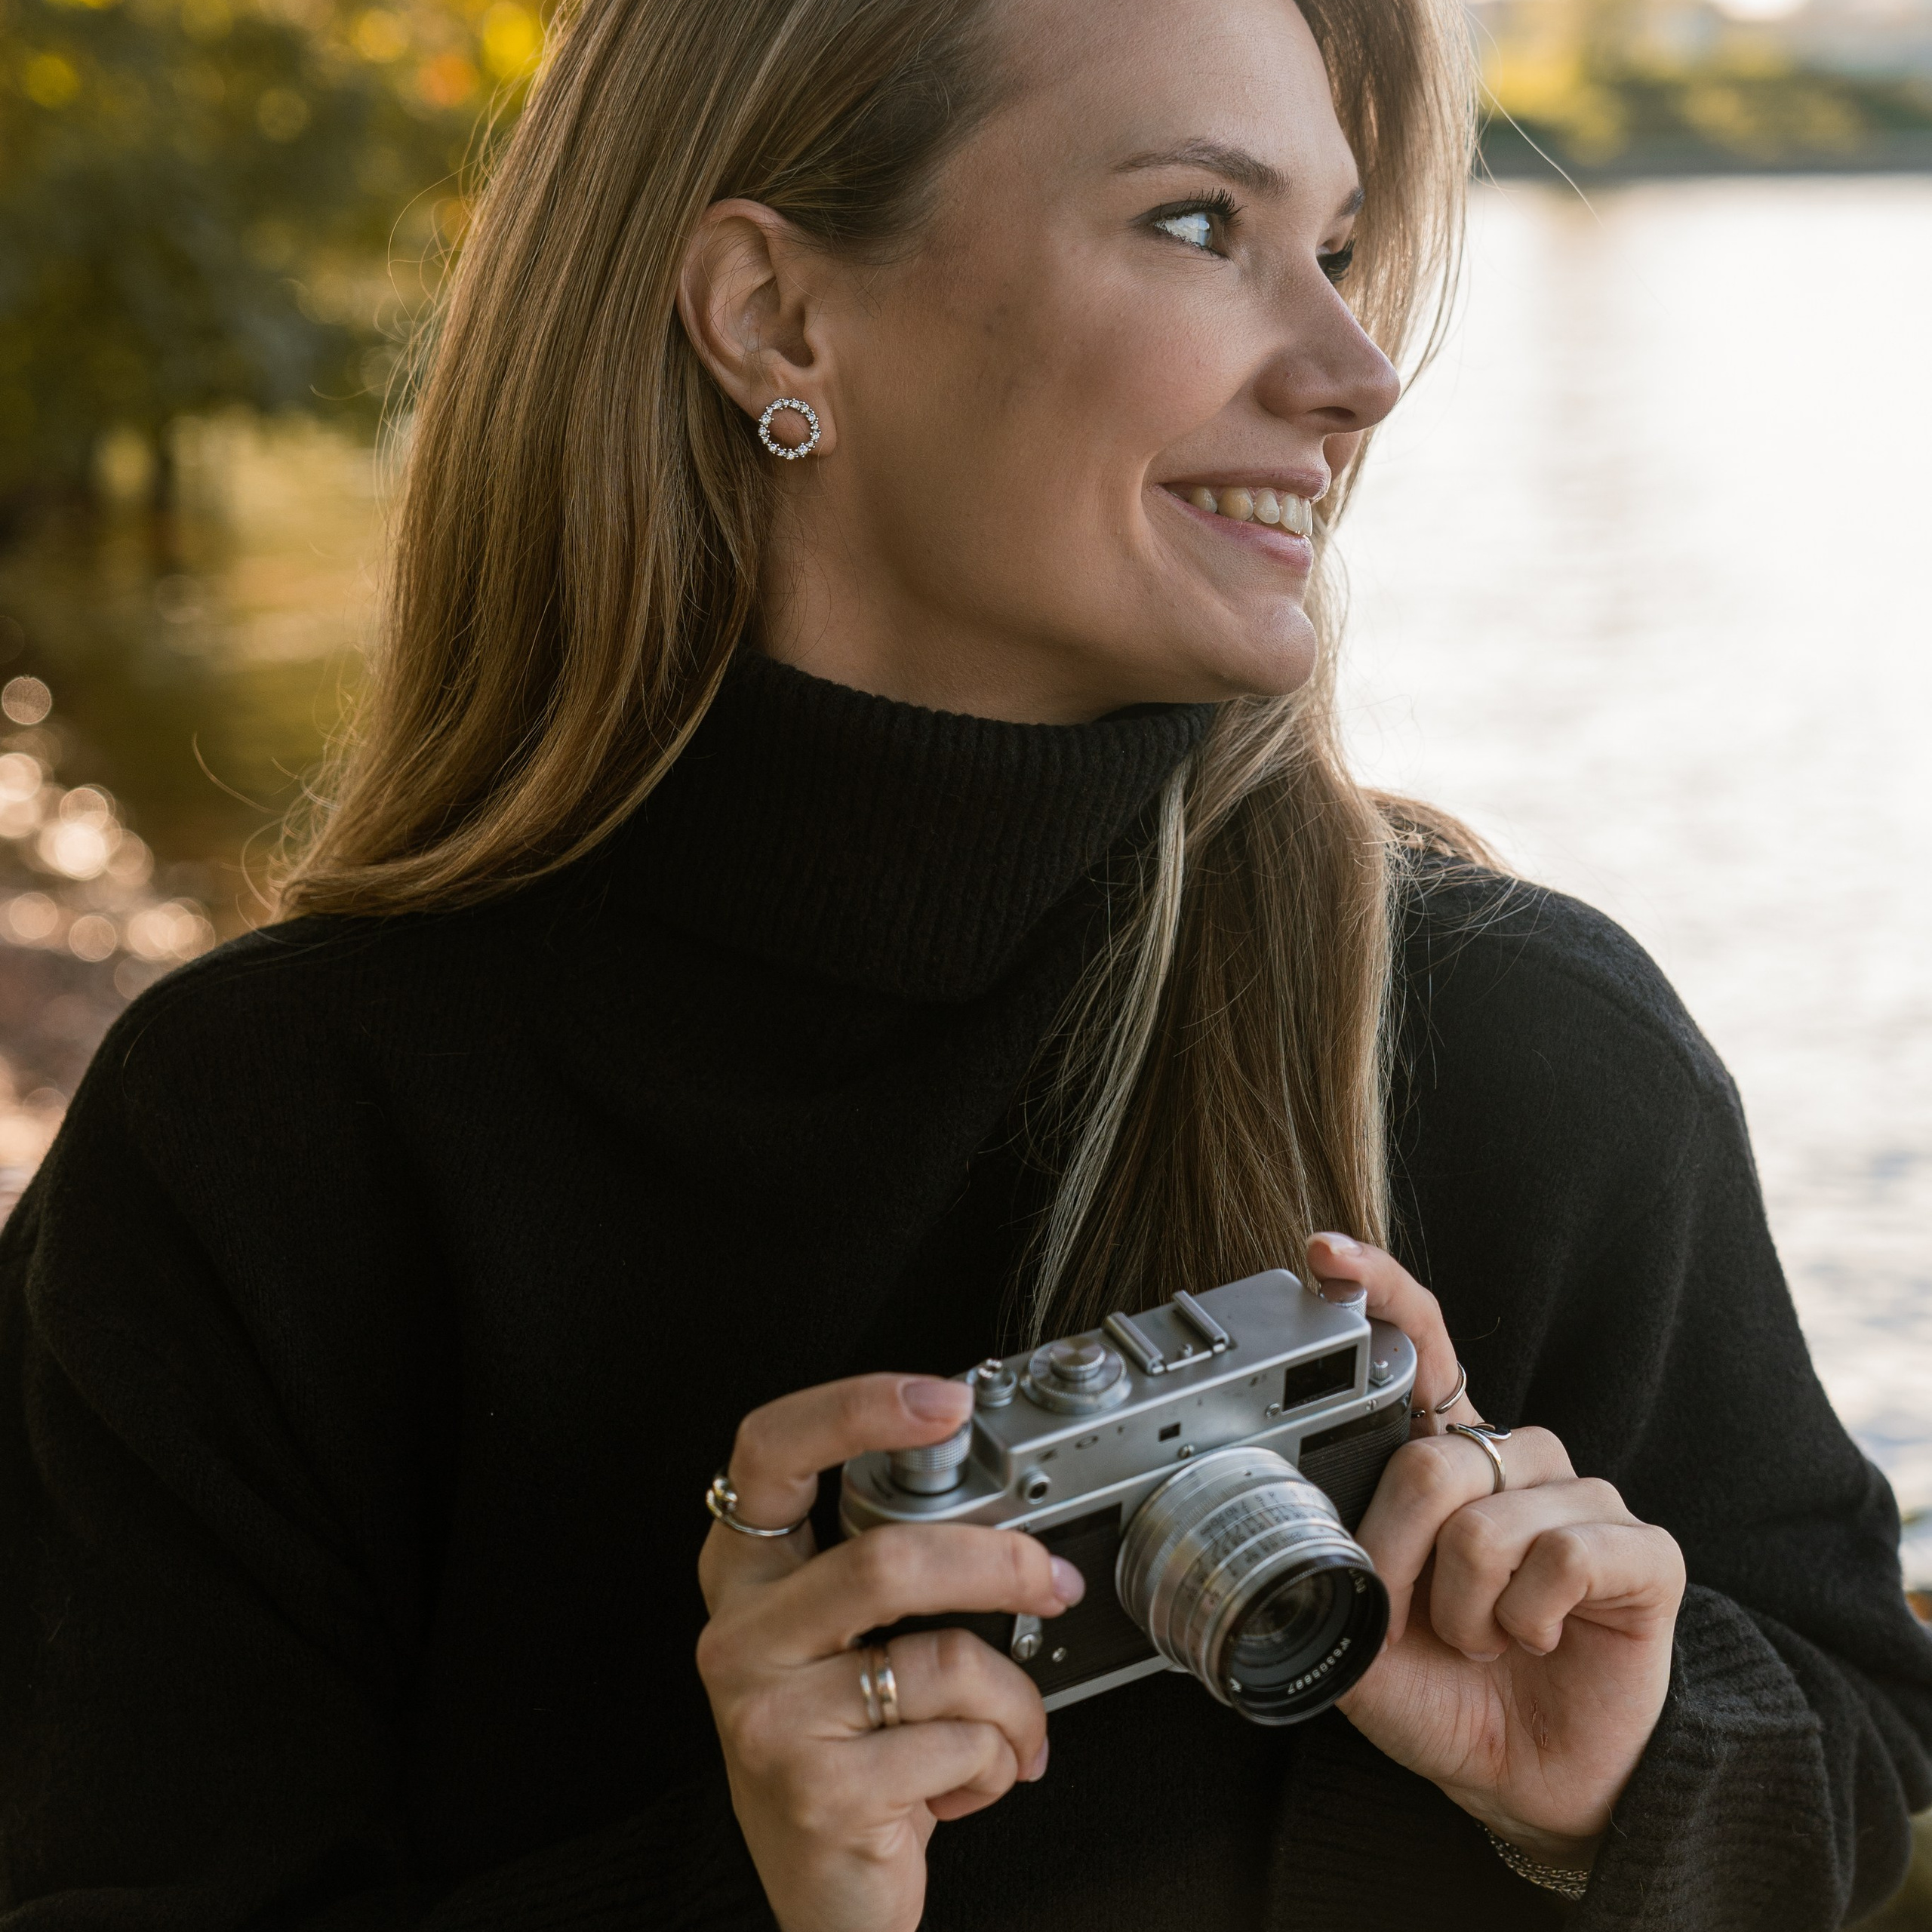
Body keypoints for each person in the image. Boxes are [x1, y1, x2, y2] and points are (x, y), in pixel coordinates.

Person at [2, 0, 1927, 1926]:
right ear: (774, 316)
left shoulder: (1518, 1043)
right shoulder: (255, 1146)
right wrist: (753, 1889)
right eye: (1196, 224)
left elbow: (1860, 1751)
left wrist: (1602, 1783)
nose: (1356, 371)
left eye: (1336, 253)